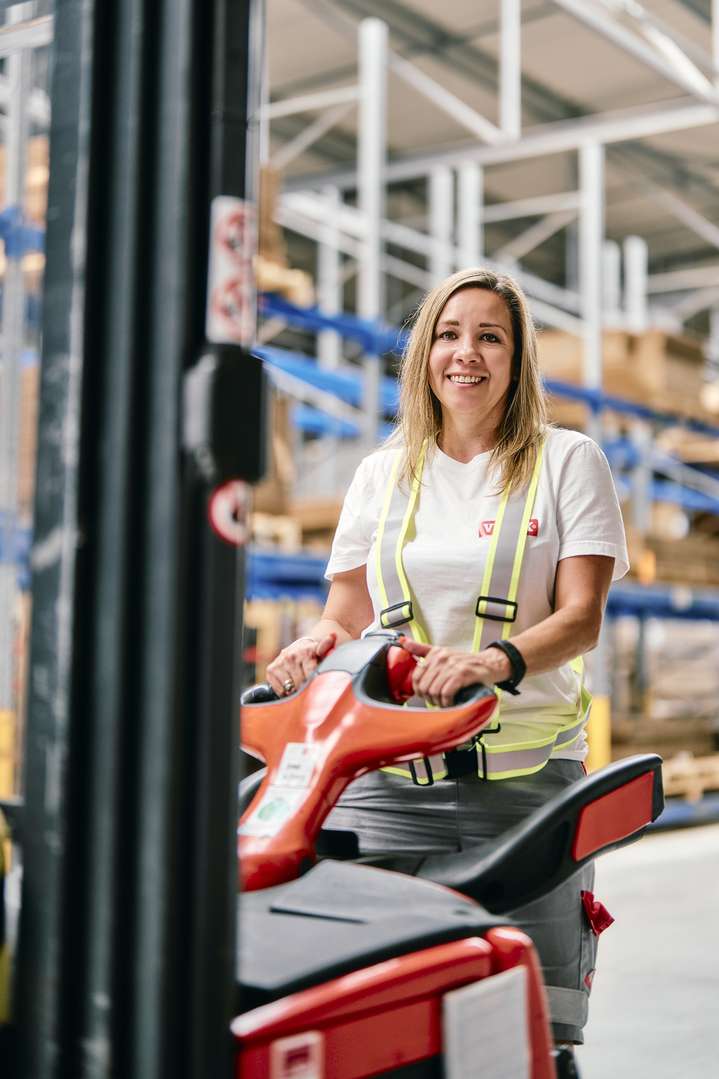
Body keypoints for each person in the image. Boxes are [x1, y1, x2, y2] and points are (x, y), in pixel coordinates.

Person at [265, 267, 628, 1051]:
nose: (466, 352)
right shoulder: (381, 472)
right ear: (424, 353)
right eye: (448, 334)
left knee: (536, 1029)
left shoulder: (568, 461)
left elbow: (580, 618)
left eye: (489, 337)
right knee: (368, 1018)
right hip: (384, 782)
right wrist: (316, 641)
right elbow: (345, 612)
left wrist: (490, 662)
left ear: (516, 359)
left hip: (525, 790)